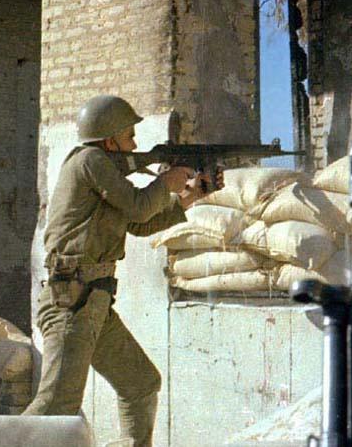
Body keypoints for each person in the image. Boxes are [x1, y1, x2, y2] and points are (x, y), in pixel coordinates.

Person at [22, 95, 224, 447]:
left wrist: (189, 196)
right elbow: (139, 206)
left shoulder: (105, 173)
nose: (134, 144)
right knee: (56, 406)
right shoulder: (91, 160)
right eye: (130, 136)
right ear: (110, 139)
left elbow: (140, 223)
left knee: (140, 384)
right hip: (72, 300)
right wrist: (168, 180)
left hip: (93, 300)